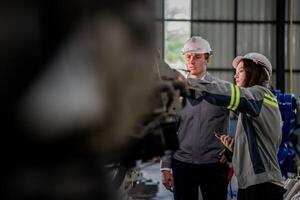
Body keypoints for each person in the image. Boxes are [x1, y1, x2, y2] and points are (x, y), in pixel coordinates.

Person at [188, 52, 285, 200]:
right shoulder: (254, 105)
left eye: (240, 71)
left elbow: (227, 93)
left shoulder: (260, 95)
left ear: (255, 72)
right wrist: (234, 149)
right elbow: (260, 146)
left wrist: (188, 83)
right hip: (252, 184)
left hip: (262, 187)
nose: (235, 76)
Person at [160, 36, 230, 200]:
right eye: (188, 56)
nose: (191, 61)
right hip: (183, 164)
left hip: (214, 165)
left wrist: (233, 149)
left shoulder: (223, 90)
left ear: (207, 59)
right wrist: (165, 167)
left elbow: (245, 121)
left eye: (197, 56)